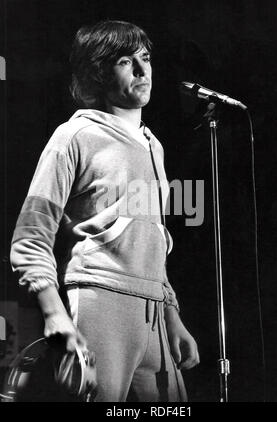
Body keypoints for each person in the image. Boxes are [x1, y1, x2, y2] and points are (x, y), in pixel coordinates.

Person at [10, 20, 199, 402]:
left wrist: (170, 312)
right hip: (100, 300)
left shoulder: (153, 146)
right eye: (126, 62)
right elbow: (30, 237)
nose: (143, 71)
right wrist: (54, 314)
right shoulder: (74, 137)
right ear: (98, 72)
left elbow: (150, 238)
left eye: (145, 59)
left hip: (154, 317)